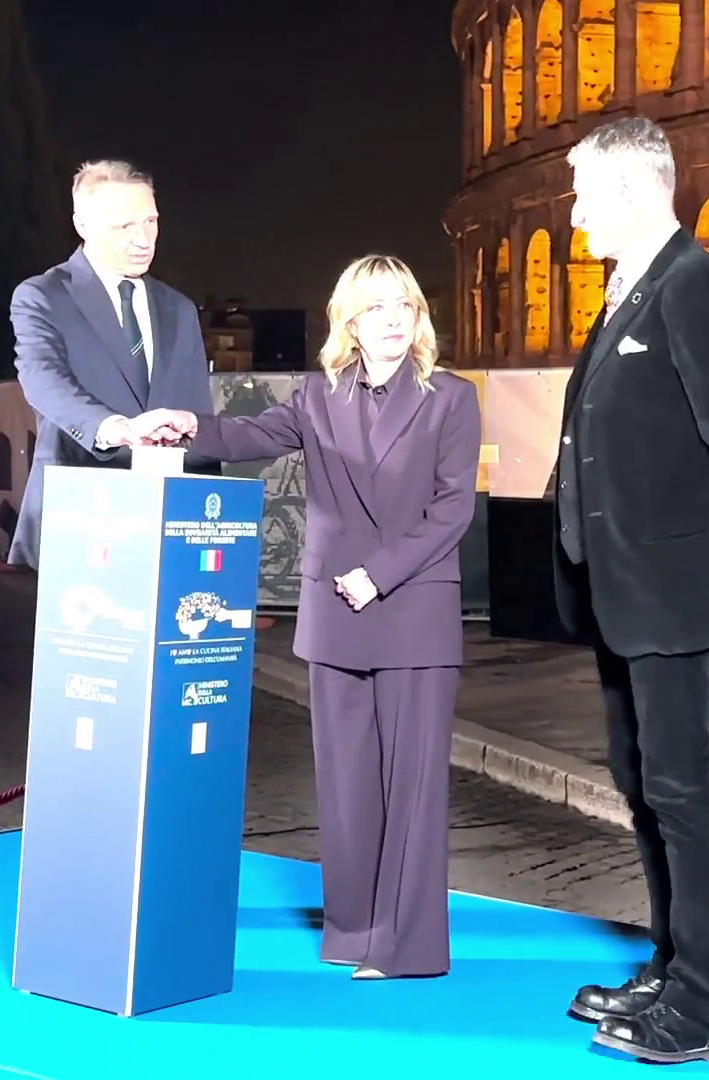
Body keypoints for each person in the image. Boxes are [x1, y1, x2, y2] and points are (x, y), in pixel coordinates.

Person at [143, 255, 481, 981]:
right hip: (335, 614)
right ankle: (353, 932)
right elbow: (248, 436)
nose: (393, 320)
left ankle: (408, 947)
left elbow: (454, 507)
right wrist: (184, 426)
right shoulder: (319, 396)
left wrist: (379, 574)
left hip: (413, 611)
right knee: (346, 782)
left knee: (412, 788)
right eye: (376, 308)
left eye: (405, 306)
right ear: (350, 323)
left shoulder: (452, 397)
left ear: (419, 317)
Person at [549, 116, 709, 1064]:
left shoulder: (693, 285)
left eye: (584, 196)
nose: (574, 216)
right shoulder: (627, 290)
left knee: (682, 792)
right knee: (639, 781)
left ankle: (701, 1013)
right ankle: (670, 964)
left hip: (676, 589)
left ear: (638, 192)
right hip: (620, 588)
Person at [7, 158, 216, 569]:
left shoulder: (179, 308)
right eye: (124, 226)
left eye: (151, 222)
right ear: (82, 225)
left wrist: (206, 513)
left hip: (168, 525)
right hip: (81, 521)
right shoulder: (42, 296)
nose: (143, 239)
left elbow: (197, 415)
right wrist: (117, 429)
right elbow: (42, 380)